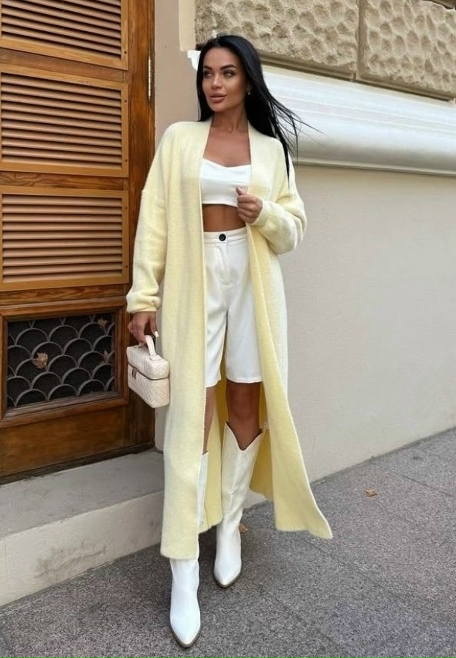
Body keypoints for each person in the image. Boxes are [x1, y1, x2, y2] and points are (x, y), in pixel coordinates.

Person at [126, 34, 332, 648]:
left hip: (252, 281)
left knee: (245, 402)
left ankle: (230, 526)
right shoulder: (179, 141)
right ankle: (183, 567)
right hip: (195, 282)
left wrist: (262, 212)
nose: (215, 84)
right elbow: (154, 218)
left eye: (228, 73)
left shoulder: (272, 150)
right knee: (193, 412)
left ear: (248, 80)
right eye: (208, 74)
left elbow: (293, 230)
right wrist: (143, 297)